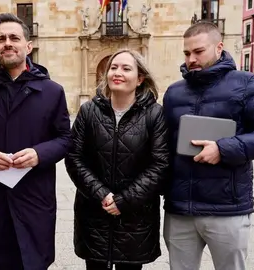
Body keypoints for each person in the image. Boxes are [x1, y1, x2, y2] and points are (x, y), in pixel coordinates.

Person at [162, 21, 254, 270]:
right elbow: (163, 144)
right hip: (179, 209)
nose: (191, 59)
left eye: (199, 52)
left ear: (219, 47)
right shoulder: (173, 92)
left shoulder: (249, 84)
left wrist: (223, 148)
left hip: (228, 208)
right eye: (187, 53)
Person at [0, 13, 72, 270]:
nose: (7, 43)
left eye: (14, 38)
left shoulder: (52, 91)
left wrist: (39, 154)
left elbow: (65, 138)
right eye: (1, 39)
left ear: (28, 46)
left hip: (35, 199)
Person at [65, 48, 170, 270]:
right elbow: (74, 157)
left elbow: (160, 164)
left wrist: (123, 201)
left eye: (126, 68)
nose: (117, 72)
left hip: (135, 218)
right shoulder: (88, 112)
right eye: (113, 67)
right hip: (94, 214)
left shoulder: (154, 114)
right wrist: (102, 194)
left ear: (140, 78)